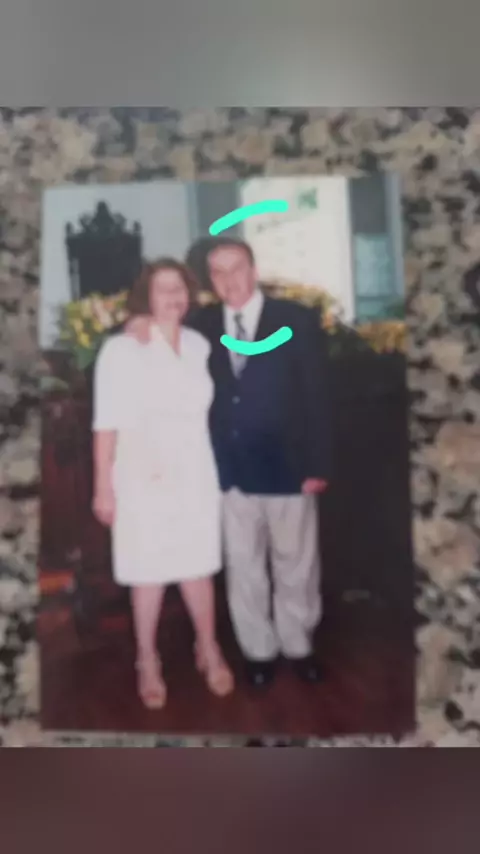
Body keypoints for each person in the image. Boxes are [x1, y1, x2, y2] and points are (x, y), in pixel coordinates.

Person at [126, 237, 332, 689]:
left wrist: (318, 463)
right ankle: (258, 651)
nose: (228, 279)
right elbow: (155, 327)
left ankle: (298, 645)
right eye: (217, 272)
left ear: (254, 271)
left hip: (289, 466)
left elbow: (318, 395)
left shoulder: (296, 319)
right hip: (229, 470)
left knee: (296, 565)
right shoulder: (200, 324)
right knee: (243, 567)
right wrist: (138, 321)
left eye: (236, 268)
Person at [92, 258, 234, 710]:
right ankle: (147, 659)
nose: (173, 296)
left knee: (198, 566)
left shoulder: (198, 344)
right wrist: (102, 486)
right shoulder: (121, 349)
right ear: (146, 297)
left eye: (179, 288)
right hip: (142, 473)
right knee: (147, 572)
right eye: (162, 289)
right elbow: (105, 424)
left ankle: (208, 648)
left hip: (195, 470)